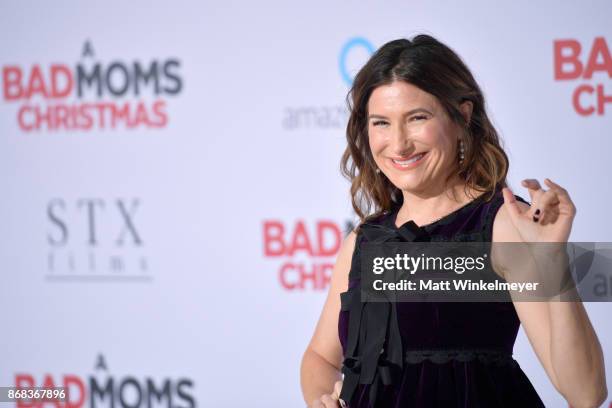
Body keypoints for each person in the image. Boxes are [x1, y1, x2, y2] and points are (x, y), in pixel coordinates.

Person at [300, 34, 607, 408]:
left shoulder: (502, 224)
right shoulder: (364, 241)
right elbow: (321, 358)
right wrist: (321, 398)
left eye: (417, 118)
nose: (398, 144)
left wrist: (552, 260)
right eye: (381, 123)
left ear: (461, 115)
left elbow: (586, 393)